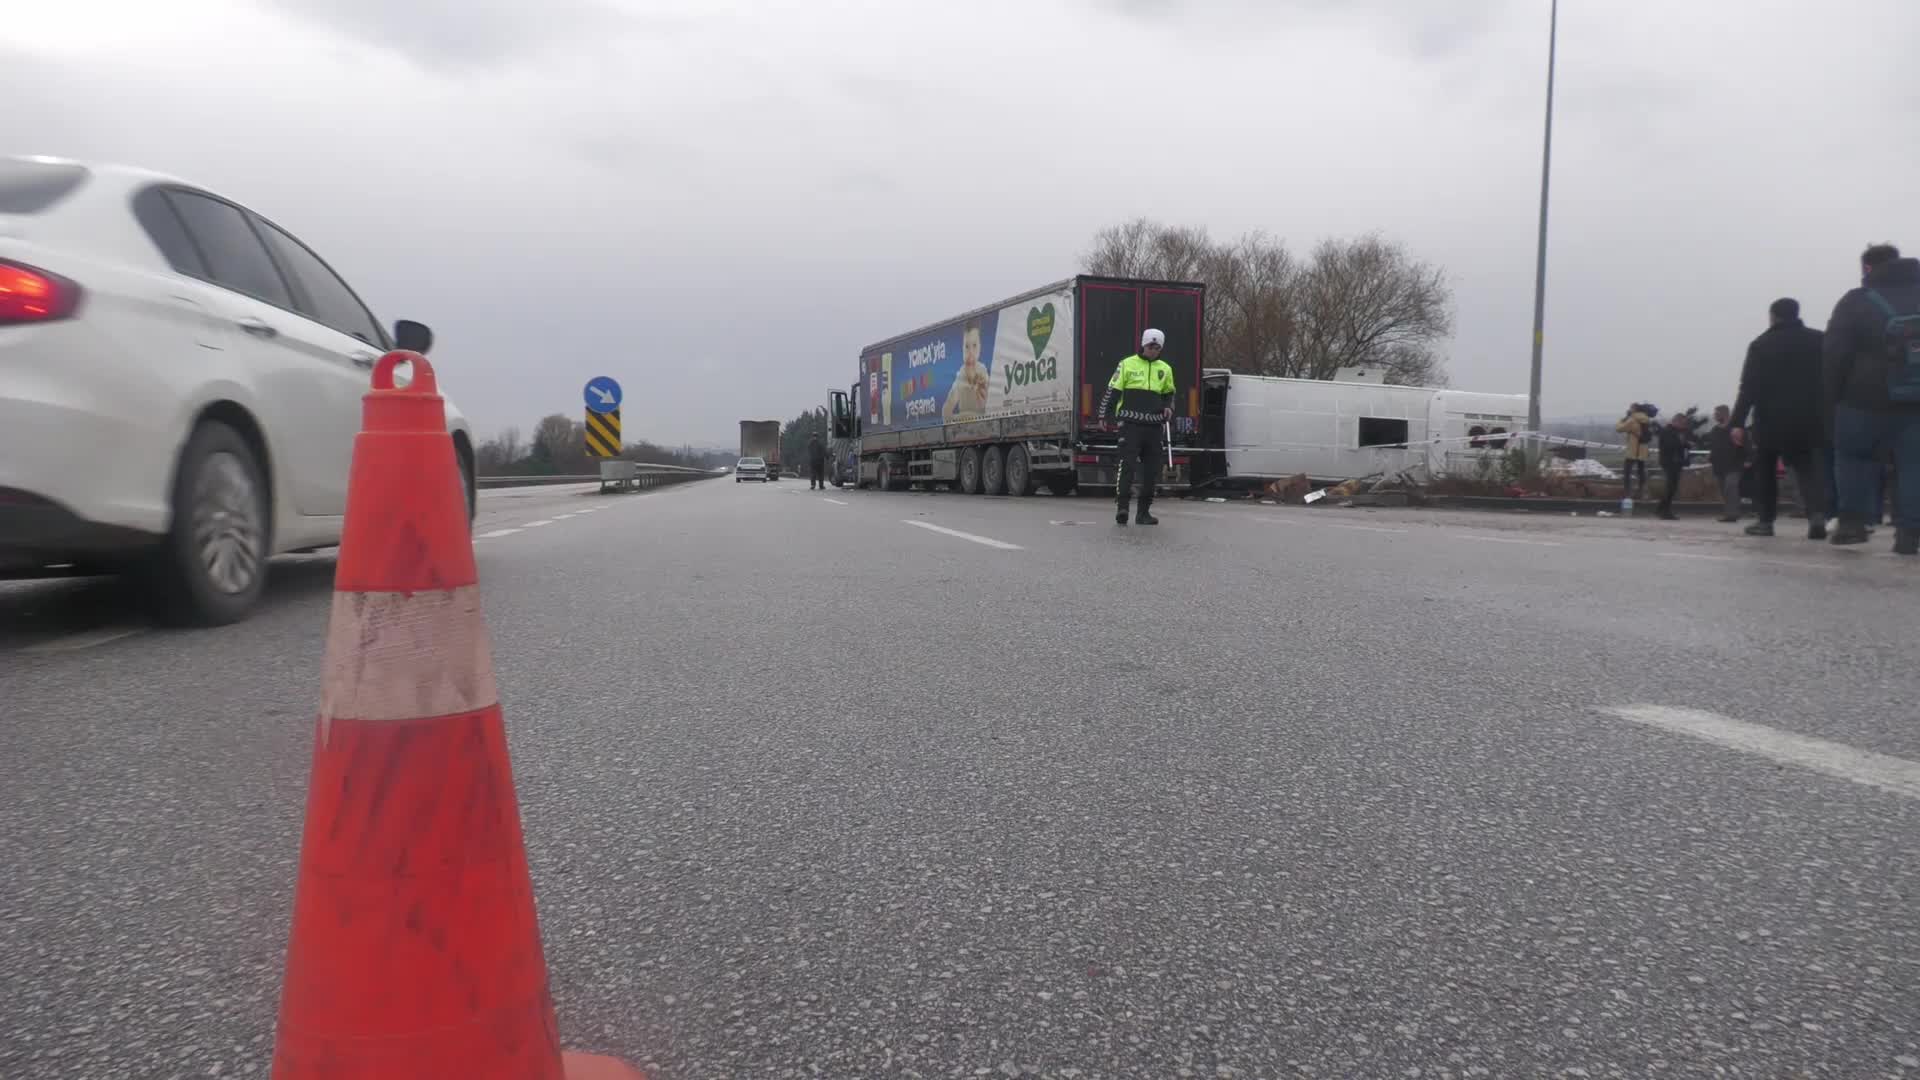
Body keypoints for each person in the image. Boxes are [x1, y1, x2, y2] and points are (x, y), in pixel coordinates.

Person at [1823, 242, 1920, 552]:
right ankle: (1910, 534)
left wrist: (1832, 396)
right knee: (1914, 465)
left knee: (1853, 456)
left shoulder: (1856, 301)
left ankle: (1852, 523)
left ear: (1867, 268)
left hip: (1862, 398)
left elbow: (1835, 354)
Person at [1729, 297, 1829, 538]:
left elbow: (1748, 387)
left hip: (1771, 419)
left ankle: (1765, 521)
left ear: (1773, 316)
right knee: (1807, 471)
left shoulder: (1761, 345)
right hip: (1809, 418)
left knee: (1765, 470)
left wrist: (1737, 422)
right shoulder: (1819, 340)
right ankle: (1816, 516)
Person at [1099, 328, 1176, 525]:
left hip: (1154, 426)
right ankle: (1122, 508)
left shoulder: (1165, 368)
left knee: (1151, 470)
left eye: (1157, 347)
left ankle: (1143, 513)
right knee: (1128, 466)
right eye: (1151, 346)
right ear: (1143, 345)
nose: (1154, 350)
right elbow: (1112, 391)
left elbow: (1169, 393)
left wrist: (1168, 407)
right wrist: (1103, 414)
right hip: (1130, 424)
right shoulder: (1126, 364)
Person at [1653, 412, 1696, 520]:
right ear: (1676, 421)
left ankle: (1661, 509)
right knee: (1670, 487)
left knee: (1672, 487)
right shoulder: (1667, 431)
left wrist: (1686, 444)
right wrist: (1684, 444)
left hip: (1676, 462)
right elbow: (1670, 445)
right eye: (1683, 423)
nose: (1684, 426)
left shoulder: (1676, 432)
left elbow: (1679, 444)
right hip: (1670, 462)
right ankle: (1664, 510)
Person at [1706, 404, 1745, 521]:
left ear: (1724, 414)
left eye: (1717, 414)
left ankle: (1731, 514)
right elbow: (1713, 446)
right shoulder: (1715, 430)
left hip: (1734, 465)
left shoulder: (1735, 428)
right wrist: (1711, 457)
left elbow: (1745, 445)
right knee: (1724, 490)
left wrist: (1748, 459)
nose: (1715, 416)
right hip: (1719, 465)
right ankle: (1730, 512)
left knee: (1730, 487)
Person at [1615, 403, 1652, 504]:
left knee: (1627, 471)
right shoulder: (1646, 419)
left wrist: (1622, 419)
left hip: (1633, 449)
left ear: (1634, 409)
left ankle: (1627, 493)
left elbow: (1619, 429)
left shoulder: (1632, 420)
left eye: (1630, 408)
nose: (1629, 410)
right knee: (1641, 471)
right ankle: (1643, 492)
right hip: (1643, 449)